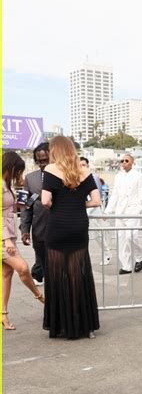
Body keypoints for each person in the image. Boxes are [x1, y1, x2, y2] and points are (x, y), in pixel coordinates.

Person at [41, 136, 101, 339]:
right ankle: (85, 326)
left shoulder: (50, 170)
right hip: (78, 227)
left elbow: (45, 201)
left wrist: (61, 204)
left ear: (55, 150)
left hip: (58, 226)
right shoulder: (84, 171)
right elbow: (96, 201)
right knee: (79, 275)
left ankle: (59, 325)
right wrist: (77, 205)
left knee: (57, 275)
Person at [2, 151, 45, 330]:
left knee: (6, 274)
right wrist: (7, 239)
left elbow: (10, 207)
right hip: (4, 238)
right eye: (18, 171)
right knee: (22, 267)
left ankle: (3, 315)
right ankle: (40, 296)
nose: (19, 175)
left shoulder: (6, 185)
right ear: (10, 167)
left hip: (8, 236)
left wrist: (27, 200)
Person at [105, 154, 142, 274]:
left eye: (126, 160)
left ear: (132, 162)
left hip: (133, 211)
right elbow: (115, 195)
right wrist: (108, 211)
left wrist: (137, 210)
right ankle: (126, 266)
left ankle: (140, 256)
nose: (124, 162)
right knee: (122, 239)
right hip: (120, 212)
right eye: (122, 161)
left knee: (131, 237)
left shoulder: (139, 176)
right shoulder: (118, 176)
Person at [20, 141, 50, 284]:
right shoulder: (30, 179)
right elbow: (27, 206)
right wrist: (25, 229)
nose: (42, 164)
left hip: (62, 230)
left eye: (45, 160)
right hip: (40, 232)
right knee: (45, 266)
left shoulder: (64, 176)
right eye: (39, 161)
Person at [79, 157, 111, 266]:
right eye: (80, 165)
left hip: (94, 209)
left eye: (84, 165)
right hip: (83, 211)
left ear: (88, 166)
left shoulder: (93, 177)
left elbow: (98, 197)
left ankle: (107, 253)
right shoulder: (77, 177)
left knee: (98, 234)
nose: (82, 167)